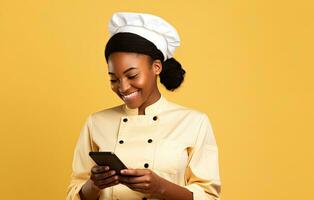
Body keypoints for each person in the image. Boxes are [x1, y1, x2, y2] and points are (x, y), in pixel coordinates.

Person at [66, 12, 221, 200]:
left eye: (132, 76)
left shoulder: (194, 122)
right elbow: (75, 193)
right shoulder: (96, 122)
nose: (122, 87)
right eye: (114, 79)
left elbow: (209, 196)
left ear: (156, 67)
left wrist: (161, 187)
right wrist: (94, 184)